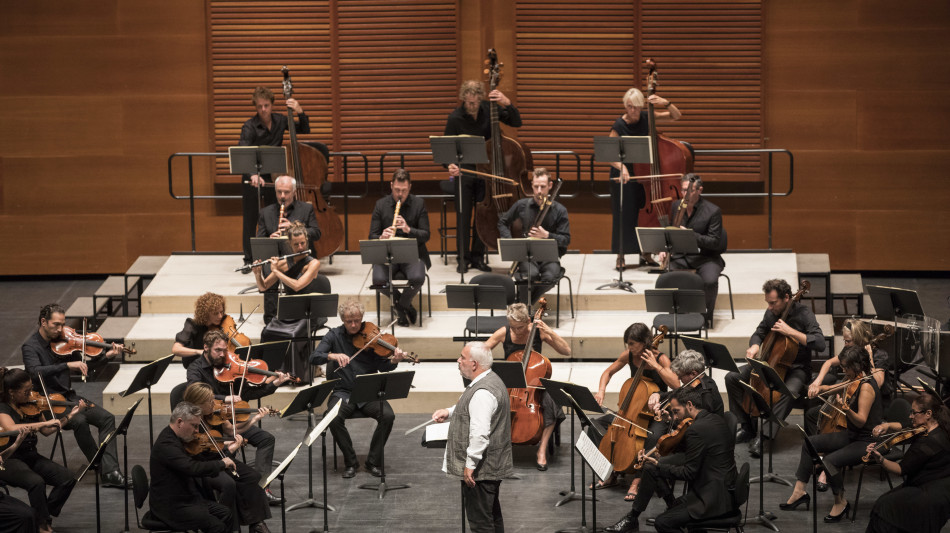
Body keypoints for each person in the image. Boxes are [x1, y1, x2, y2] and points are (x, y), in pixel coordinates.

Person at [21, 303, 130, 488]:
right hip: (47, 402)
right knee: (79, 421)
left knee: (107, 418)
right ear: (43, 322)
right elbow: (33, 372)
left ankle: (109, 470)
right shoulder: (30, 346)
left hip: (69, 398)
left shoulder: (64, 342)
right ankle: (105, 469)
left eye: (63, 324)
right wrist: (66, 366)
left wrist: (108, 356)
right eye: (56, 324)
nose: (61, 329)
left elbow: (87, 368)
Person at [605, 387, 737, 533]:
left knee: (662, 523)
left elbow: (689, 473)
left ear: (689, 405)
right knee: (650, 468)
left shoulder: (697, 430)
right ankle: (637, 516)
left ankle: (658, 513)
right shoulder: (713, 419)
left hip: (713, 498)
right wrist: (657, 463)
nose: (676, 417)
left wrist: (659, 464)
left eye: (676, 411)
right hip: (722, 486)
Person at [781, 345, 882, 522]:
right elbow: (833, 387)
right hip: (853, 435)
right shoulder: (855, 379)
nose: (842, 370)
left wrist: (846, 409)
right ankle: (799, 493)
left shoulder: (866, 386)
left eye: (845, 367)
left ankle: (840, 502)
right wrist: (818, 389)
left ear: (856, 366)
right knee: (809, 443)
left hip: (866, 441)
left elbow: (861, 420)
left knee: (830, 461)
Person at [308, 300, 409, 478]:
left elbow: (383, 366)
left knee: (388, 416)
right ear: (342, 320)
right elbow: (314, 357)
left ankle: (373, 462)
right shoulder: (333, 335)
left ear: (362, 318)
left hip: (368, 391)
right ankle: (351, 462)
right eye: (349, 321)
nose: (354, 325)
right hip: (342, 391)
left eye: (357, 320)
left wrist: (393, 361)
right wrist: (332, 355)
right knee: (333, 418)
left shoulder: (371, 336)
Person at [725, 278, 825, 457]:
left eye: (773, 303)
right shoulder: (771, 313)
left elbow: (819, 342)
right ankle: (747, 427)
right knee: (733, 377)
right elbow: (759, 333)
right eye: (768, 303)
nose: (770, 307)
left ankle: (764, 437)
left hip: (796, 368)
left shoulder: (804, 313)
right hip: (770, 362)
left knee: (789, 390)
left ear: (786, 297)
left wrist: (791, 331)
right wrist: (755, 345)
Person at [186, 330, 288, 504]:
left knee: (266, 439)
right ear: (205, 347)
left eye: (225, 350)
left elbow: (248, 392)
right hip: (210, 426)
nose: (223, 354)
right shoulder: (195, 369)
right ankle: (234, 491)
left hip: (233, 420)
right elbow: (194, 393)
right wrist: (222, 398)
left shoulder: (230, 367)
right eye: (218, 350)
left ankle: (262, 487)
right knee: (229, 455)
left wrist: (275, 383)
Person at [432, 342, 513, 533]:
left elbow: (480, 433)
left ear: (474, 364)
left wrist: (470, 465)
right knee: (491, 515)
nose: (458, 361)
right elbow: (473, 409)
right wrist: (450, 412)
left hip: (482, 470)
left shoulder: (483, 392)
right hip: (492, 465)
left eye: (462, 357)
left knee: (481, 524)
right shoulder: (489, 380)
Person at [444, 79, 522, 273]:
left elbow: (516, 121)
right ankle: (463, 258)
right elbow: (445, 151)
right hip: (464, 173)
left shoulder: (489, 109)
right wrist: (450, 165)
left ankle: (478, 257)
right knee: (463, 217)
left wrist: (507, 102)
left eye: (475, 102)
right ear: (463, 98)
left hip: (486, 173)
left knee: (483, 216)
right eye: (469, 103)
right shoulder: (455, 118)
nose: (472, 106)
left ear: (480, 98)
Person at [592, 323, 679, 494]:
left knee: (654, 438)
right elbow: (608, 372)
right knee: (596, 425)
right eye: (628, 344)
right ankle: (610, 471)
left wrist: (656, 367)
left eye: (632, 344)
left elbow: (676, 385)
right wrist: (601, 390)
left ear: (645, 341)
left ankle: (638, 480)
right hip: (632, 410)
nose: (629, 348)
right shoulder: (630, 356)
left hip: (657, 411)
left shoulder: (661, 359)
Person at [484, 303, 570, 470]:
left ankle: (542, 450)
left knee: (553, 402)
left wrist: (550, 331)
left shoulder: (538, 333)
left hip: (534, 386)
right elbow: (481, 351)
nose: (517, 331)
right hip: (510, 385)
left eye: (521, 327)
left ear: (529, 321)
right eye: (513, 327)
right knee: (489, 401)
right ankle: (497, 448)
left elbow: (566, 350)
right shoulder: (503, 333)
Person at [607, 87, 681, 270]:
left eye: (637, 107)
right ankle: (621, 255)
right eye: (630, 107)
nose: (634, 111)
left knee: (646, 214)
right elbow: (610, 155)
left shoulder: (648, 118)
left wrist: (666, 102)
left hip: (645, 174)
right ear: (625, 105)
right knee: (624, 215)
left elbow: (676, 116)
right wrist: (622, 167)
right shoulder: (618, 125)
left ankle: (646, 252)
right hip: (624, 175)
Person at [182, 383, 275, 529]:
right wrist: (230, 449)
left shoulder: (214, 413)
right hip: (204, 463)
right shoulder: (190, 422)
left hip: (221, 457)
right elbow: (197, 453)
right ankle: (229, 526)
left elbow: (233, 430)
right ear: (198, 404)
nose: (214, 403)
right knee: (229, 484)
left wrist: (254, 419)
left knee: (253, 477)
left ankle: (256, 524)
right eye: (209, 401)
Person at [239, 86, 310, 265]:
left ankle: (273, 254)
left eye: (266, 105)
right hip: (253, 179)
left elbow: (304, 129)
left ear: (272, 105)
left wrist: (300, 112)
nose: (263, 109)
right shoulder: (249, 126)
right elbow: (243, 153)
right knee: (250, 219)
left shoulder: (280, 120)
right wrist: (253, 174)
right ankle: (249, 259)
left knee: (272, 217)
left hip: (273, 179)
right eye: (260, 106)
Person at [0, 367, 77, 533]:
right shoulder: (3, 408)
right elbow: (10, 428)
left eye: (31, 389)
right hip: (9, 458)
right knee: (36, 482)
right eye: (26, 391)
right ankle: (43, 526)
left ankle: (41, 516)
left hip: (29, 455)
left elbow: (47, 431)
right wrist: (43, 423)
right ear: (12, 392)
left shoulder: (32, 404)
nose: (31, 394)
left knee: (68, 478)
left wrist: (69, 416)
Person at [865, 392, 950, 533]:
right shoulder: (942, 426)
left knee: (883, 507)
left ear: (928, 413)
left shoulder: (927, 444)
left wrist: (881, 459)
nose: (910, 416)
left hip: (929, 494)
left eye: (913, 413)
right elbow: (907, 427)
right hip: (942, 487)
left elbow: (900, 469)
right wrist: (888, 426)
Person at [149, 402, 235, 533]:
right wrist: (221, 464)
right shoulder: (167, 444)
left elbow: (199, 460)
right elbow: (191, 468)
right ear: (180, 422)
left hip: (187, 499)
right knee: (217, 526)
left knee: (226, 513)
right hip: (171, 506)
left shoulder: (179, 439)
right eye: (194, 426)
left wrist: (227, 451)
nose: (196, 431)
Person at [657, 174, 725, 327]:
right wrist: (663, 248)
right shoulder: (676, 206)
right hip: (681, 256)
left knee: (709, 281)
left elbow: (714, 242)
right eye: (683, 190)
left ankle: (704, 318)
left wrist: (690, 235)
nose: (685, 195)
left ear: (699, 190)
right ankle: (676, 318)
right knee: (667, 279)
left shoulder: (713, 211)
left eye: (689, 191)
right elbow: (671, 232)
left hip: (706, 257)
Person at [497, 168, 571, 304]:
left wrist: (547, 235)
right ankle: (526, 310)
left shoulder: (560, 210)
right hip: (527, 256)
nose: (538, 191)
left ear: (550, 186)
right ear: (531, 185)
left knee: (550, 277)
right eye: (536, 186)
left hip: (550, 257)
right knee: (531, 275)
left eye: (542, 187)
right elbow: (503, 222)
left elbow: (566, 240)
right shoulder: (521, 205)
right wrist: (510, 242)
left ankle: (526, 306)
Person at [368, 168, 431, 327]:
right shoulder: (380, 205)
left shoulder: (419, 204)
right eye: (397, 190)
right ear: (391, 186)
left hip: (413, 254)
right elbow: (372, 236)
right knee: (378, 280)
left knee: (417, 278)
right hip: (387, 255)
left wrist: (408, 229)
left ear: (410, 187)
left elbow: (426, 235)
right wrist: (381, 236)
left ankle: (400, 307)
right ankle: (406, 306)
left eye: (403, 190)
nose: (400, 194)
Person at [255, 175, 321, 243]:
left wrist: (294, 228)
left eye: (286, 192)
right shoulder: (265, 212)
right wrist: (270, 240)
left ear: (294, 192)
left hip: (300, 252)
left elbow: (316, 233)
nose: (282, 196)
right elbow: (259, 241)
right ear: (275, 191)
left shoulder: (307, 209)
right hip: (275, 253)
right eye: (279, 192)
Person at [172, 292, 230, 369]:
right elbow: (176, 349)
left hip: (217, 364)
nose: (220, 316)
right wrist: (198, 351)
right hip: (197, 366)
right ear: (206, 313)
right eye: (216, 313)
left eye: (221, 312)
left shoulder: (223, 321)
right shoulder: (192, 325)